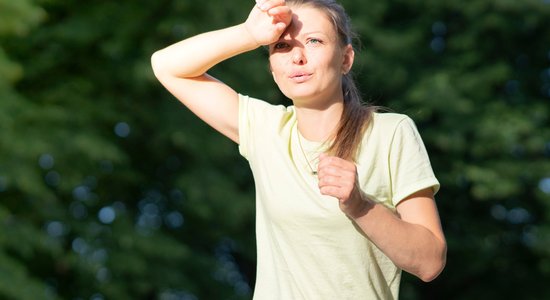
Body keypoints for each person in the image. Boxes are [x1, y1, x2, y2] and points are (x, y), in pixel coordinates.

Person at [151, 0, 447, 298]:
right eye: (281, 46)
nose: (297, 57)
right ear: (271, 66)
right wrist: (250, 34)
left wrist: (361, 205)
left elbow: (430, 262)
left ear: (346, 59)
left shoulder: (391, 132)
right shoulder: (264, 129)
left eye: (314, 41)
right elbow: (166, 66)